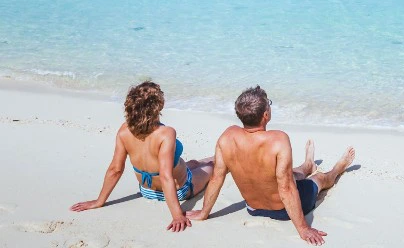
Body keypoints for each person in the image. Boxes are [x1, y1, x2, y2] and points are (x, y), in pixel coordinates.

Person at [187, 86, 356, 246]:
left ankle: (307, 164)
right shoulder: (278, 140)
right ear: (266, 115)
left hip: (252, 208)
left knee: (291, 174)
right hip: (283, 211)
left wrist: (203, 212)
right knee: (319, 178)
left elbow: (217, 177)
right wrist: (303, 228)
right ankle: (337, 170)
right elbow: (287, 189)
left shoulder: (227, 137)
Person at [70, 81, 214, 232]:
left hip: (146, 190)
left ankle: (205, 160)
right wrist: (177, 215)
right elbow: (166, 177)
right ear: (159, 105)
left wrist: (99, 201)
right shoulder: (166, 134)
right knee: (212, 166)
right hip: (180, 190)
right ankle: (217, 157)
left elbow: (115, 170)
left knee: (193, 163)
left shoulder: (124, 131)